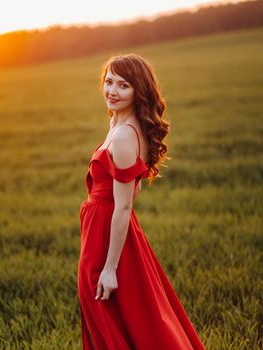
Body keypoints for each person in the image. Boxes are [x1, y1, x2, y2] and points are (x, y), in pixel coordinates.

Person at [77, 53, 205, 349]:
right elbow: (131, 189)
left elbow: (124, 205)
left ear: (139, 90)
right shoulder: (119, 125)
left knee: (106, 313)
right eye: (109, 82)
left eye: (123, 85)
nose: (112, 91)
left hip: (108, 234)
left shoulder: (124, 136)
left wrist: (110, 268)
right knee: (123, 316)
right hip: (106, 228)